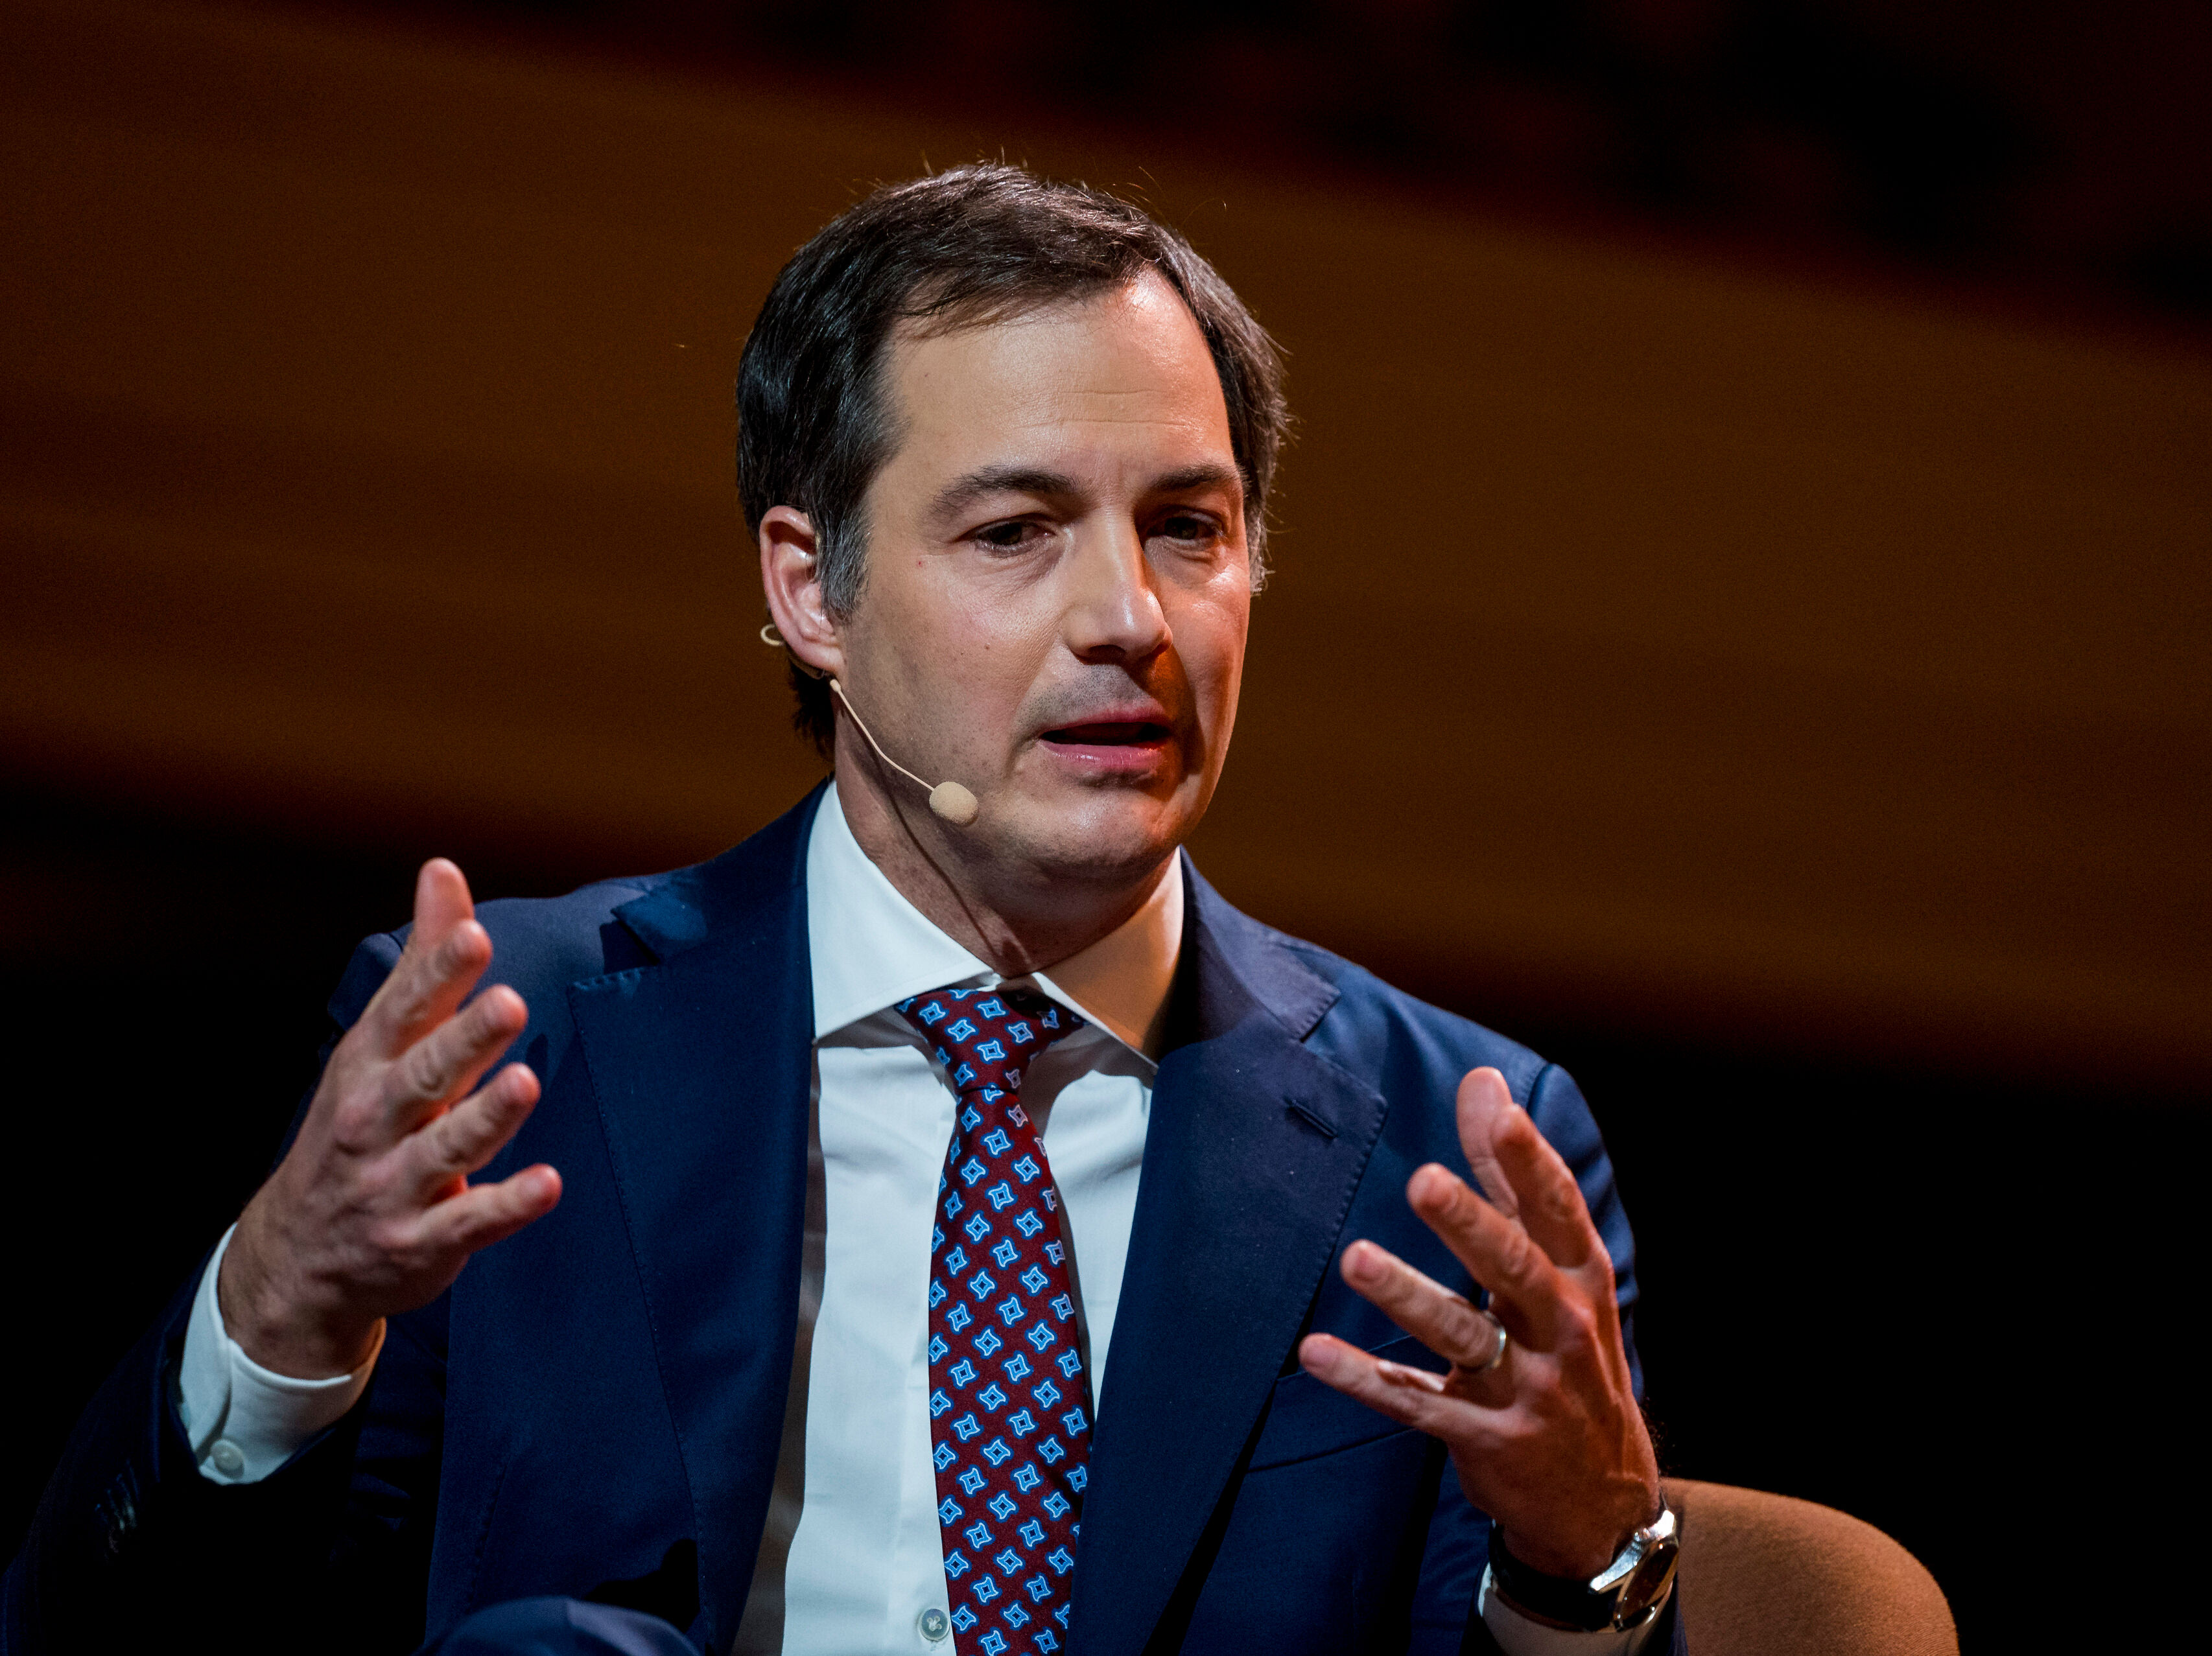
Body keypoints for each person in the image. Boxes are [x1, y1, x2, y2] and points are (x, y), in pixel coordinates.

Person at [5, 165, 1673, 1656]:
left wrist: (1587, 1550)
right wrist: (276, 1317)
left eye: (1189, 529)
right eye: (1016, 531)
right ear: (812, 589)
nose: (1131, 618)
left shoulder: (1454, 1143)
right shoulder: (508, 1048)